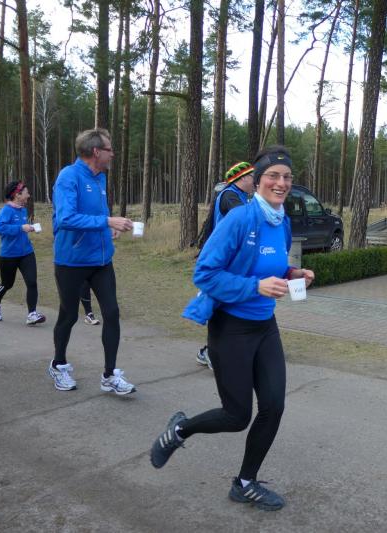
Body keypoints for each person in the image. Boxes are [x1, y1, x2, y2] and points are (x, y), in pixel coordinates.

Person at [150, 145, 314, 512]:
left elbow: (272, 266)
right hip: (231, 328)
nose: (281, 183)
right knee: (237, 416)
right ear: (257, 180)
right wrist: (255, 287)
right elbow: (204, 274)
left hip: (265, 326)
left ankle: (245, 483)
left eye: (287, 177)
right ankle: (179, 430)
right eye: (273, 176)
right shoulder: (239, 220)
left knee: (273, 406)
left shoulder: (282, 222)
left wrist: (293, 273)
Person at [47, 128, 136, 394]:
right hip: (72, 261)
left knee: (112, 313)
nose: (113, 154)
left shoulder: (100, 178)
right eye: (109, 149)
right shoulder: (69, 176)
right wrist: (106, 221)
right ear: (96, 152)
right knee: (68, 315)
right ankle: (58, 365)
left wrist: (110, 229)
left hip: (101, 260)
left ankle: (109, 375)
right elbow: (66, 218)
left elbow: (98, 215)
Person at [195, 161, 256, 370]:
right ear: (242, 178)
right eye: (252, 177)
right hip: (222, 261)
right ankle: (210, 352)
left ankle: (216, 349)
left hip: (232, 260)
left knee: (230, 305)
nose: (255, 181)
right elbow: (245, 219)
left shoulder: (241, 196)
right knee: (220, 305)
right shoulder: (230, 195)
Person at [0, 180, 46, 325]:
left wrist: (31, 228)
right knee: (7, 284)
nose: (29, 195)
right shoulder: (6, 210)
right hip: (9, 254)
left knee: (32, 282)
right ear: (17, 195)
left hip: (26, 252)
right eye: (26, 193)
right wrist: (20, 228)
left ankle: (32, 314)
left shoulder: (23, 210)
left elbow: (22, 227)